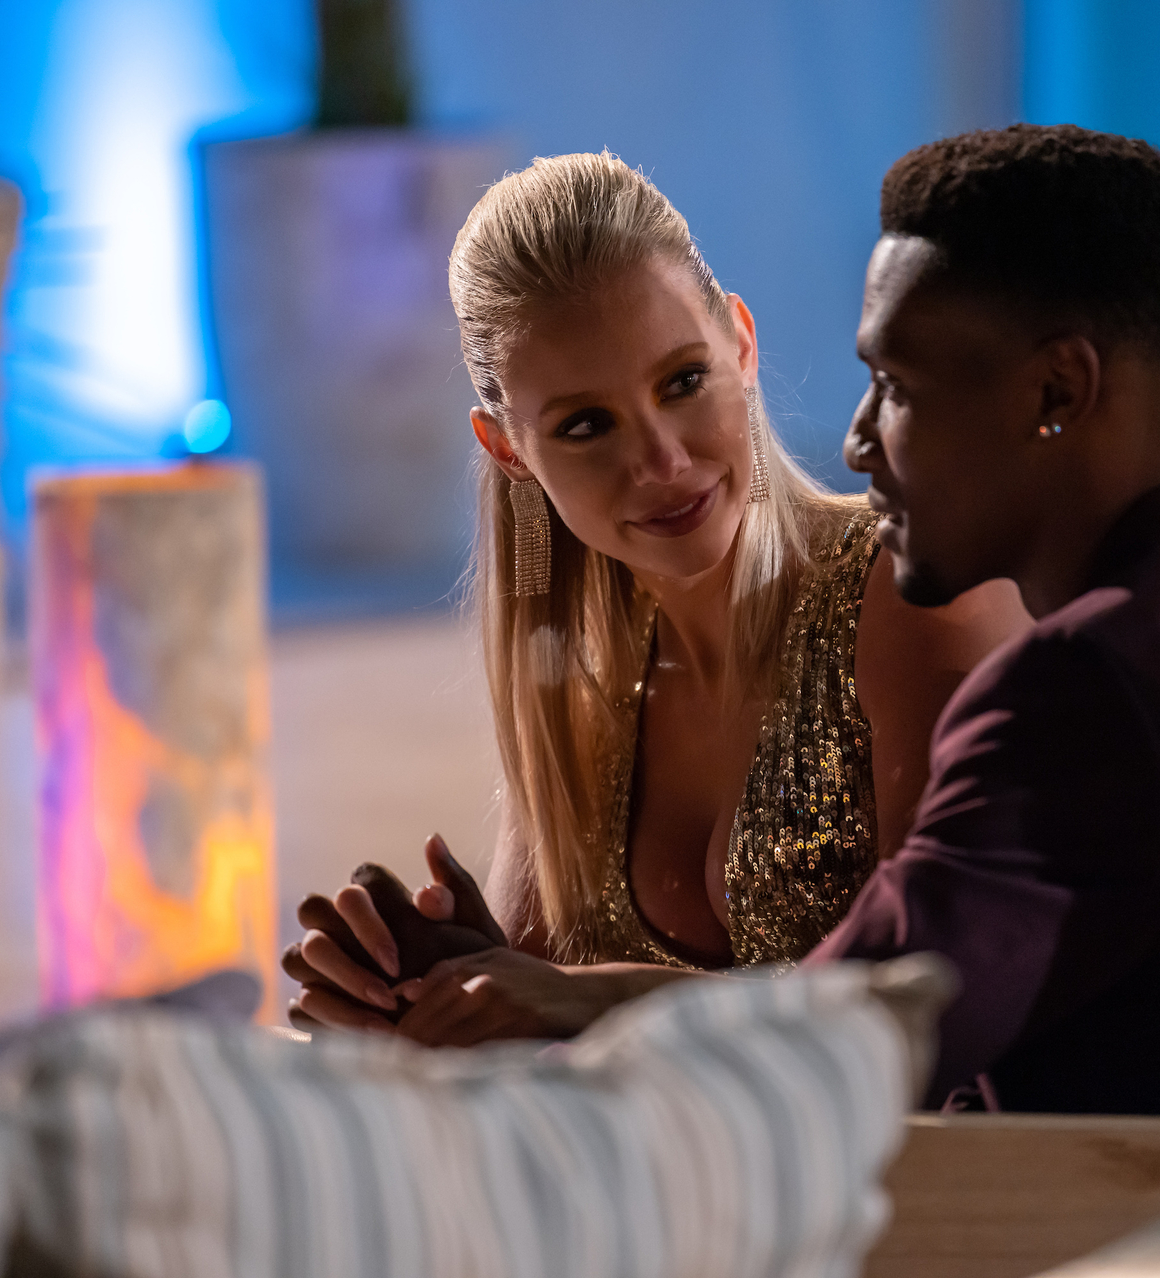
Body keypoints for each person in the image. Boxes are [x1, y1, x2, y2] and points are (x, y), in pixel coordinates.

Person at [308, 126, 1160, 1117]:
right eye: (584, 425)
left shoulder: (1080, 688)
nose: (858, 440)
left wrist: (584, 1002)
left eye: (898, 388)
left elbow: (881, 1033)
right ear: (509, 448)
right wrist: (477, 994)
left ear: (1056, 392)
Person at [282, 152, 1027, 1034]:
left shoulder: (914, 597)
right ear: (508, 448)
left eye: (682, 381)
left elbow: (951, 1000)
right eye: (585, 425)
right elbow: (557, 1059)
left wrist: (601, 997)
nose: (662, 460)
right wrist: (433, 1003)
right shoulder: (580, 698)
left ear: (741, 344)